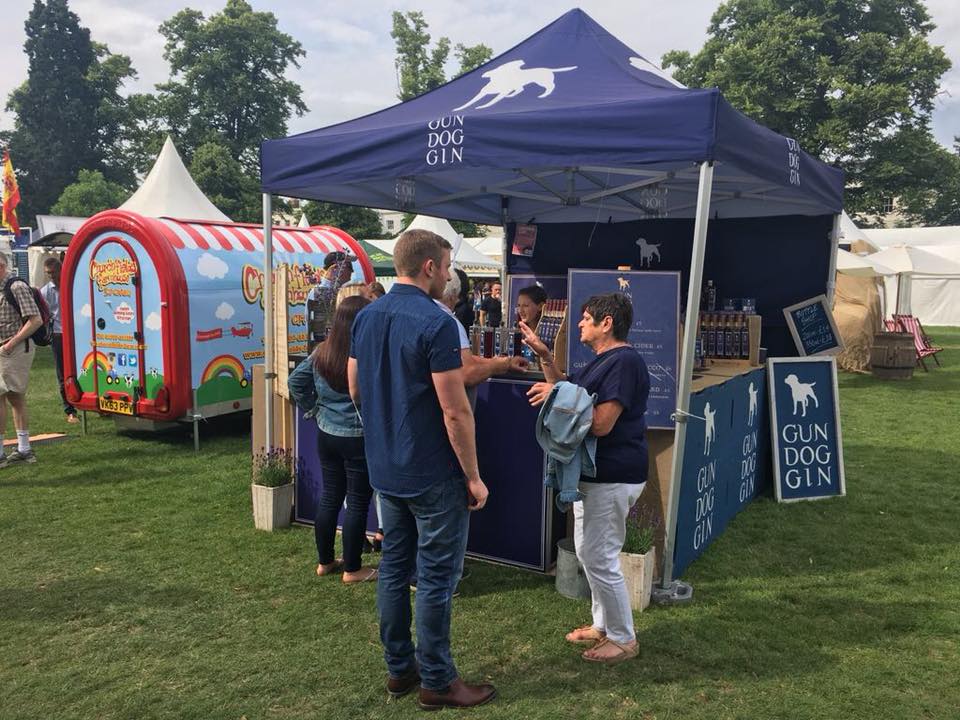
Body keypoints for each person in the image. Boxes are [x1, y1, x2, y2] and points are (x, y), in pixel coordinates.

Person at [348, 229, 496, 709]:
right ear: (430, 266)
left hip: (386, 468)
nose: (451, 274)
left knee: (394, 568)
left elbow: (355, 387)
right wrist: (473, 476)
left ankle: (400, 670)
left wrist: (382, 430)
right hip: (433, 472)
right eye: (448, 265)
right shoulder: (435, 322)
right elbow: (455, 411)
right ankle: (436, 680)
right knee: (434, 577)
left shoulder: (365, 316)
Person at [520, 293, 649, 665]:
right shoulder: (604, 361)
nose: (578, 323)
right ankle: (602, 625)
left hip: (613, 475)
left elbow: (602, 423)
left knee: (598, 556)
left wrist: (555, 395)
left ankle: (624, 639)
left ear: (606, 323)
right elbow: (566, 386)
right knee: (590, 552)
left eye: (586, 318)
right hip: (594, 477)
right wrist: (545, 357)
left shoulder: (623, 362)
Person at [288, 295, 378, 584]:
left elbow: (295, 382)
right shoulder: (366, 354)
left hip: (327, 435)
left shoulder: (321, 352)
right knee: (357, 501)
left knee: (330, 497)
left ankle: (325, 561)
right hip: (358, 438)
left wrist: (314, 410)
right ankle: (352, 569)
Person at [0, 252, 43, 467]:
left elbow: (35, 320)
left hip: (14, 349)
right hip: (6, 349)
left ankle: (22, 449)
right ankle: (20, 449)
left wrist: (10, 343)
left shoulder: (16, 287)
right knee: (9, 398)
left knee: (14, 397)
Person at [39, 257, 78, 424]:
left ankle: (96, 405)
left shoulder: (73, 286)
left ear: (61, 269)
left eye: (53, 272)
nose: (51, 276)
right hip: (58, 335)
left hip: (76, 333)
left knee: (87, 368)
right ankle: (70, 411)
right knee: (63, 374)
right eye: (48, 273)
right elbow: (43, 315)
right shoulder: (45, 291)